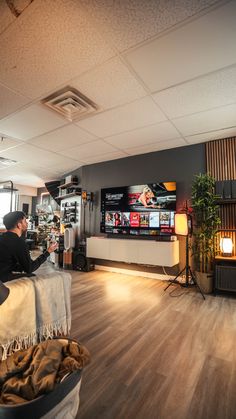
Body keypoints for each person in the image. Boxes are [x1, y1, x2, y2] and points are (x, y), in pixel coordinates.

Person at [0, 211, 58, 283]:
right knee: (32, 276)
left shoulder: (2, 237)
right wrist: (48, 252)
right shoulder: (18, 242)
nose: (27, 223)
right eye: (25, 221)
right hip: (2, 279)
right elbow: (30, 268)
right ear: (19, 225)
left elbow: (6, 262)